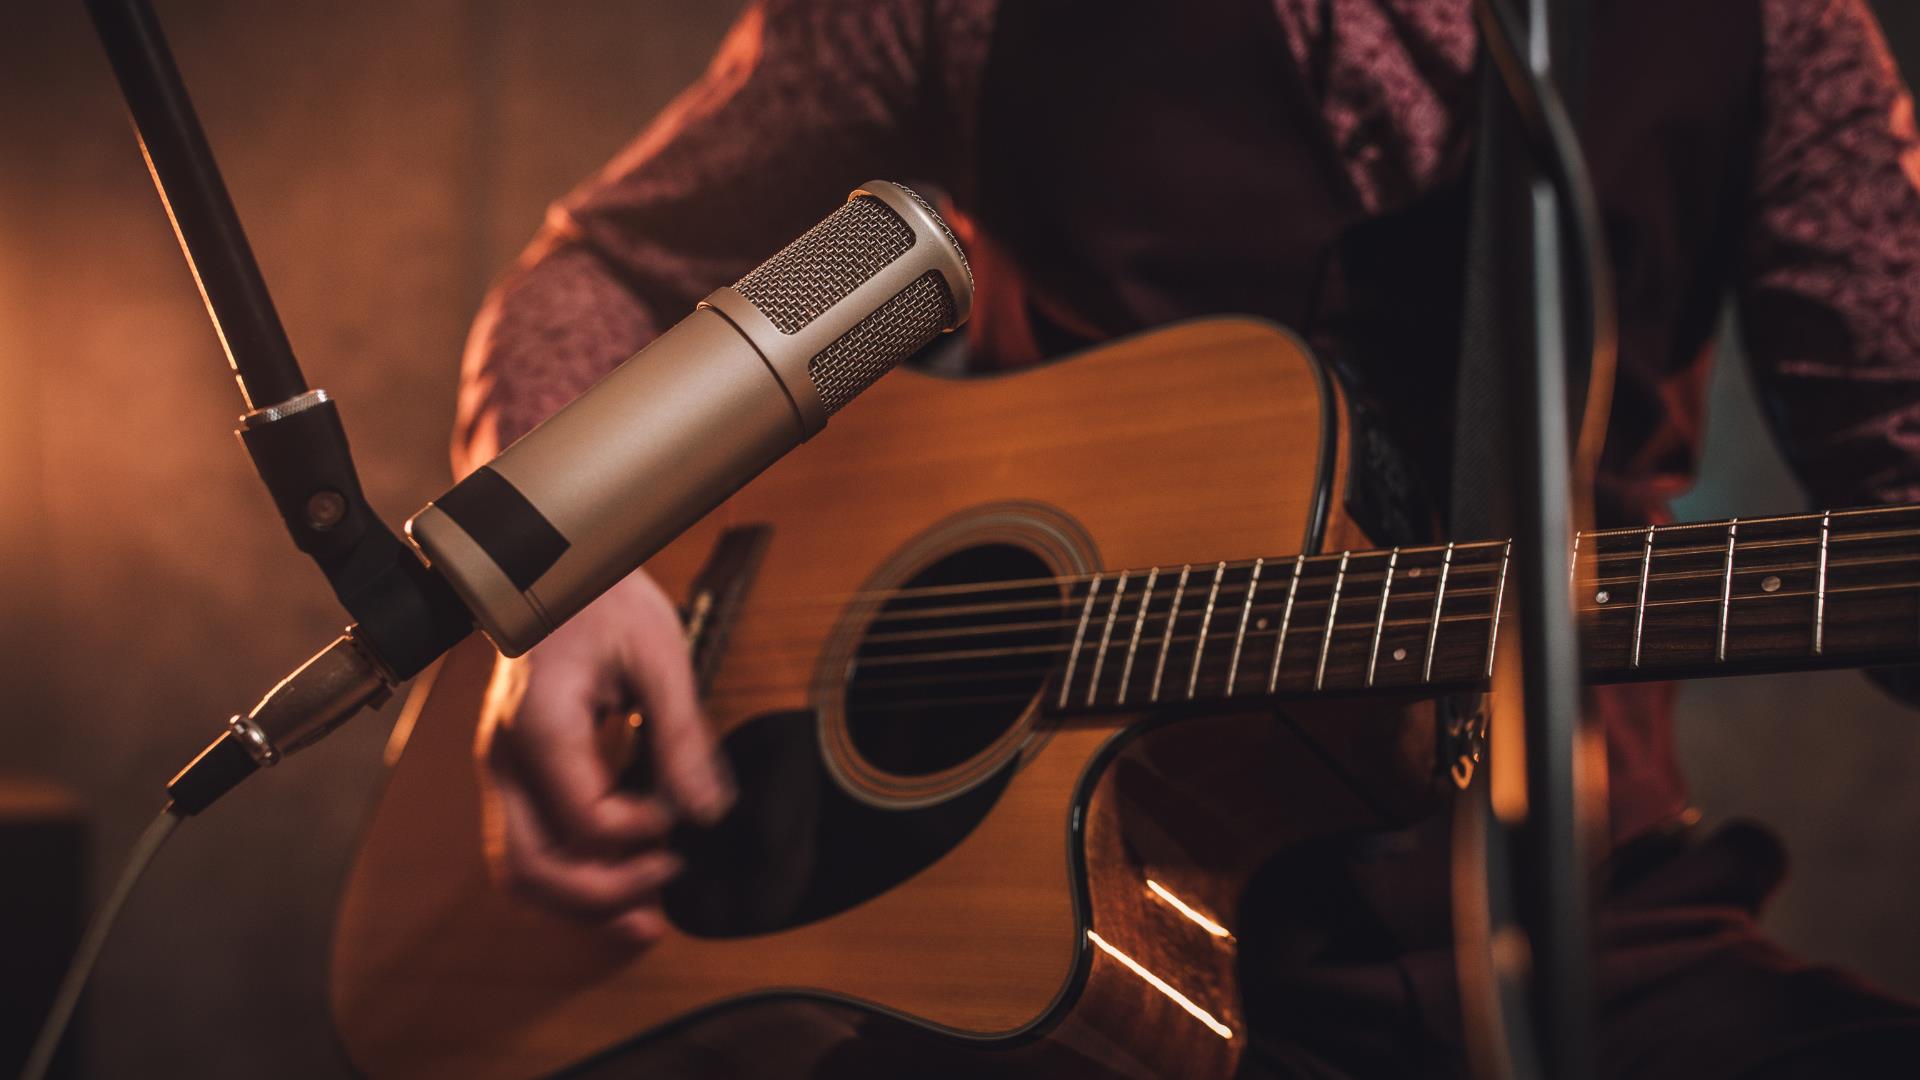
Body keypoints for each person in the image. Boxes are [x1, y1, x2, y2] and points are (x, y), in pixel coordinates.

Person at [450, 0, 1920, 1074]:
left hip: (1599, 939)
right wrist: (558, 568)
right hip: (1073, 967)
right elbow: (610, 267)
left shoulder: (1776, 23)